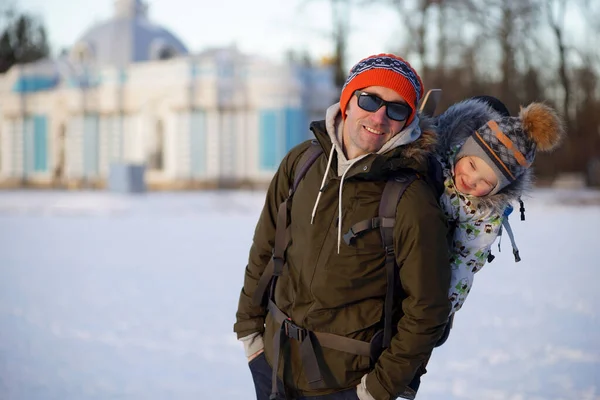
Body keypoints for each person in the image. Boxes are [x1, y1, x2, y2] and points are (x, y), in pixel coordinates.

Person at [234, 53, 452, 400]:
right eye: (370, 99)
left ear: (407, 122)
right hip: (274, 366)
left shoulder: (410, 199)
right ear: (348, 101)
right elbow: (265, 247)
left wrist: (377, 389)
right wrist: (249, 333)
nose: (379, 116)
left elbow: (428, 309)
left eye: (396, 109)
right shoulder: (302, 162)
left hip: (348, 385)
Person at [433, 96, 565, 314]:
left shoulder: (484, 216)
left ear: (497, 189)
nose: (471, 179)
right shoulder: (436, 160)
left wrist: (442, 306)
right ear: (463, 150)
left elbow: (467, 260)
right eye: (472, 164)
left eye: (485, 182)